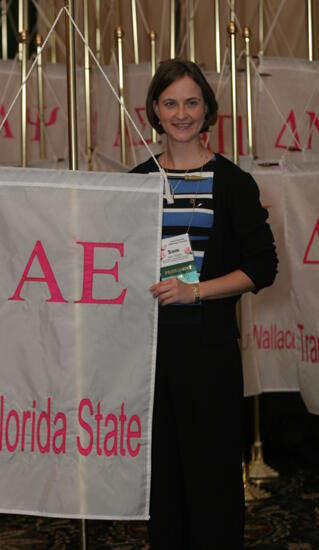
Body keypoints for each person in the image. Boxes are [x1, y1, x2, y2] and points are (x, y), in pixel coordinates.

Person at [130, 59, 278, 549]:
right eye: (170, 102)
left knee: (212, 476)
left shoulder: (234, 183)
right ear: (154, 109)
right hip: (149, 354)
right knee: (163, 477)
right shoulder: (136, 182)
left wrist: (195, 290)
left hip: (209, 349)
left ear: (207, 110)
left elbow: (263, 269)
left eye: (192, 102)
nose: (181, 113)